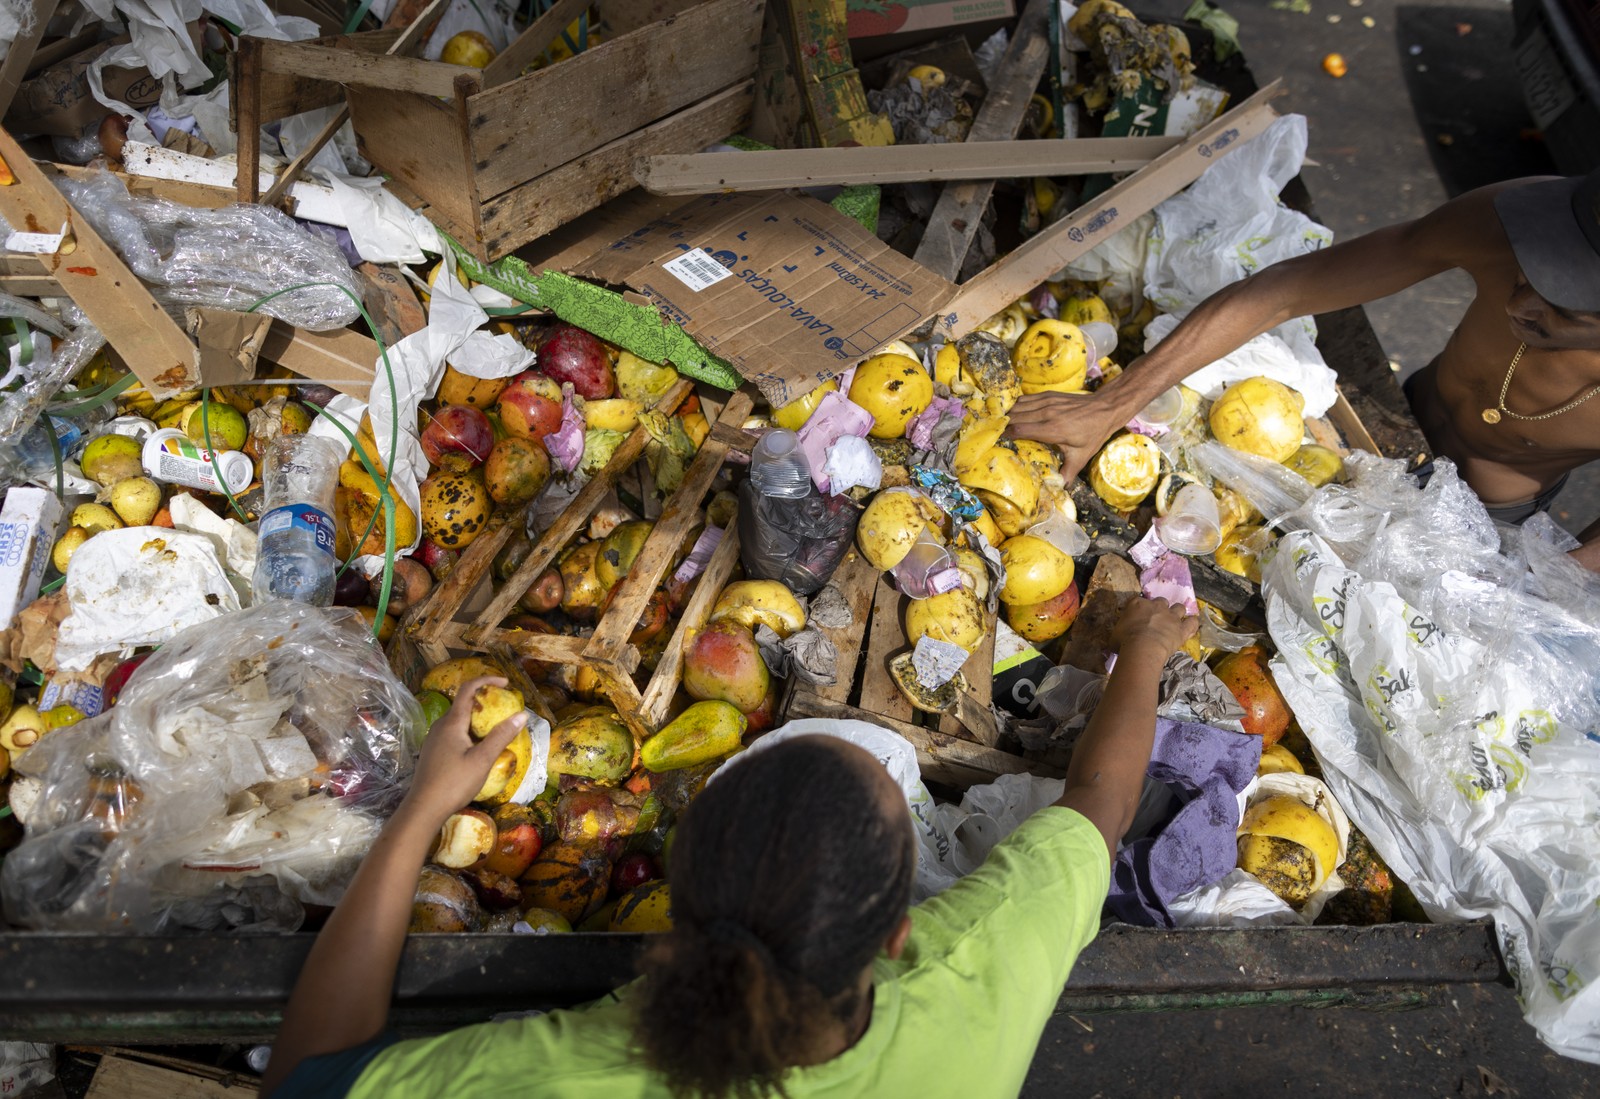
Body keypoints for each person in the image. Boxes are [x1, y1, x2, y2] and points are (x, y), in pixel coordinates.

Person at [261, 596, 1197, 1099]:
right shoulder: (978, 974)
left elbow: (306, 1073)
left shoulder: (556, 1074)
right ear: (898, 933)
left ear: (671, 909)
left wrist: (422, 807)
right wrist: (1147, 645)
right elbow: (1100, 801)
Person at [1007, 168, 1600, 570]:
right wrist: (1112, 403)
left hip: (1485, 515)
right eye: (1527, 274)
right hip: (1400, 424)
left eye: (1561, 305)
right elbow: (1284, 292)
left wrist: (1535, 593)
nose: (1519, 303)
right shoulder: (1510, 223)